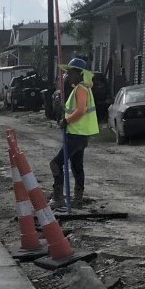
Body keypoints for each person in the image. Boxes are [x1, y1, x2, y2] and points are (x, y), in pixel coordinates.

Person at [50, 58, 99, 209]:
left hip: (76, 134)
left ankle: (58, 197)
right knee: (77, 166)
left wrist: (67, 121)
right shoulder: (82, 88)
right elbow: (73, 110)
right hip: (80, 134)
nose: (68, 76)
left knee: (56, 163)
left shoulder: (81, 89)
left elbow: (81, 110)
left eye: (70, 73)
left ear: (79, 74)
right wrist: (61, 109)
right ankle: (78, 199)